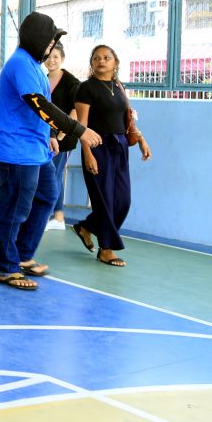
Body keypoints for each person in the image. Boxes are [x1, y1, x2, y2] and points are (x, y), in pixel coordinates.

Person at [0, 12, 102, 291]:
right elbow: (39, 104)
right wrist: (80, 130)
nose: (52, 47)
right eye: (51, 40)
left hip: (36, 149)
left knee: (46, 196)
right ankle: (7, 267)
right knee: (14, 208)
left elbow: (40, 111)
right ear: (38, 38)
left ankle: (23, 254)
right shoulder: (19, 64)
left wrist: (52, 134)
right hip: (18, 151)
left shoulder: (32, 65)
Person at [72, 45, 152, 267]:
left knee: (123, 201)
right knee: (105, 202)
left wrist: (141, 140)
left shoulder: (118, 86)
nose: (101, 61)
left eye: (106, 57)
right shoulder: (86, 88)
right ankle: (106, 250)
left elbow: (127, 118)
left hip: (120, 147)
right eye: (96, 58)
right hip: (97, 146)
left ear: (115, 62)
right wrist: (87, 153)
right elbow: (82, 125)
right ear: (91, 63)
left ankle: (86, 227)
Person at [45, 42, 81, 231]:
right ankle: (56, 216)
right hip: (45, 136)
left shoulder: (71, 82)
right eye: (49, 56)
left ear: (62, 59)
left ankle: (55, 217)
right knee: (51, 175)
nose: (51, 60)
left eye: (55, 57)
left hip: (63, 138)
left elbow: (75, 111)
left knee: (54, 175)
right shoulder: (42, 79)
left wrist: (61, 135)